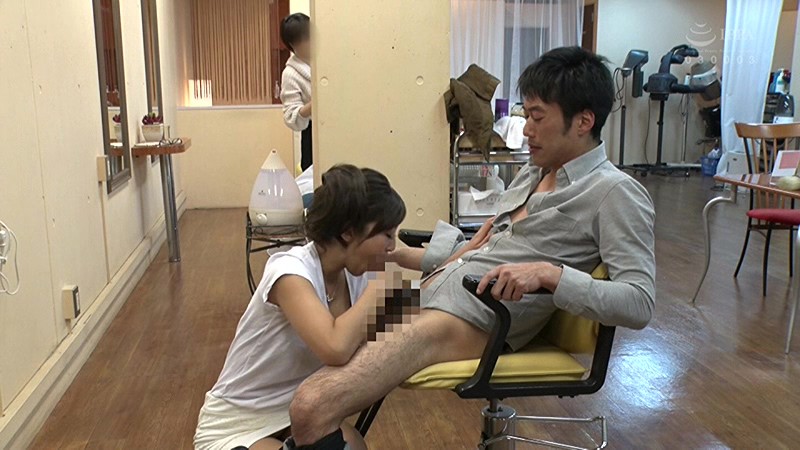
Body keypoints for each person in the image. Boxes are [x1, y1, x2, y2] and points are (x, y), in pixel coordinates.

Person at [282, 46, 657, 450]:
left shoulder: (614, 193)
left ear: (583, 121)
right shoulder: (533, 173)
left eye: (537, 117)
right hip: (435, 293)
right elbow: (486, 250)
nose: (526, 130)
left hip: (476, 318)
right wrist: (401, 254)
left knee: (311, 406)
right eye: (526, 115)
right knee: (312, 385)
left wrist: (551, 275)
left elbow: (638, 302)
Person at [194, 165, 406, 450]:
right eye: (387, 235)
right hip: (237, 424)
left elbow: (408, 315)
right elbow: (334, 347)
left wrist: (445, 259)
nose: (392, 246)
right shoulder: (289, 272)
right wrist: (381, 288)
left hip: (297, 414)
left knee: (355, 446)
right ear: (348, 232)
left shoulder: (355, 273)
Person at [279, 13, 313, 171]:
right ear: (292, 44)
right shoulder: (290, 73)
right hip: (313, 134)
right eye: (304, 39)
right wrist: (315, 104)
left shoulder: (326, 60)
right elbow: (291, 117)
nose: (310, 42)